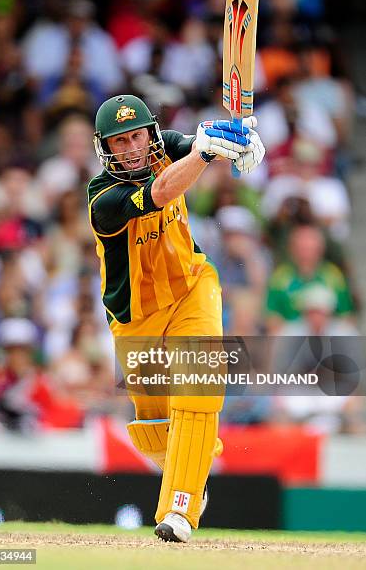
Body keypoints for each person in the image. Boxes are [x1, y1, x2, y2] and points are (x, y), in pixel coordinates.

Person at [87, 94, 265, 542]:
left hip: (192, 289)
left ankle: (179, 512)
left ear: (150, 132)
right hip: (136, 319)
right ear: (105, 148)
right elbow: (164, 191)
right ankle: (197, 460)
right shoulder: (103, 199)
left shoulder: (164, 145)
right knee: (152, 431)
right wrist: (207, 152)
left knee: (198, 392)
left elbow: (195, 142)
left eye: (137, 136)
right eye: (119, 141)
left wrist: (238, 142)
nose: (130, 148)